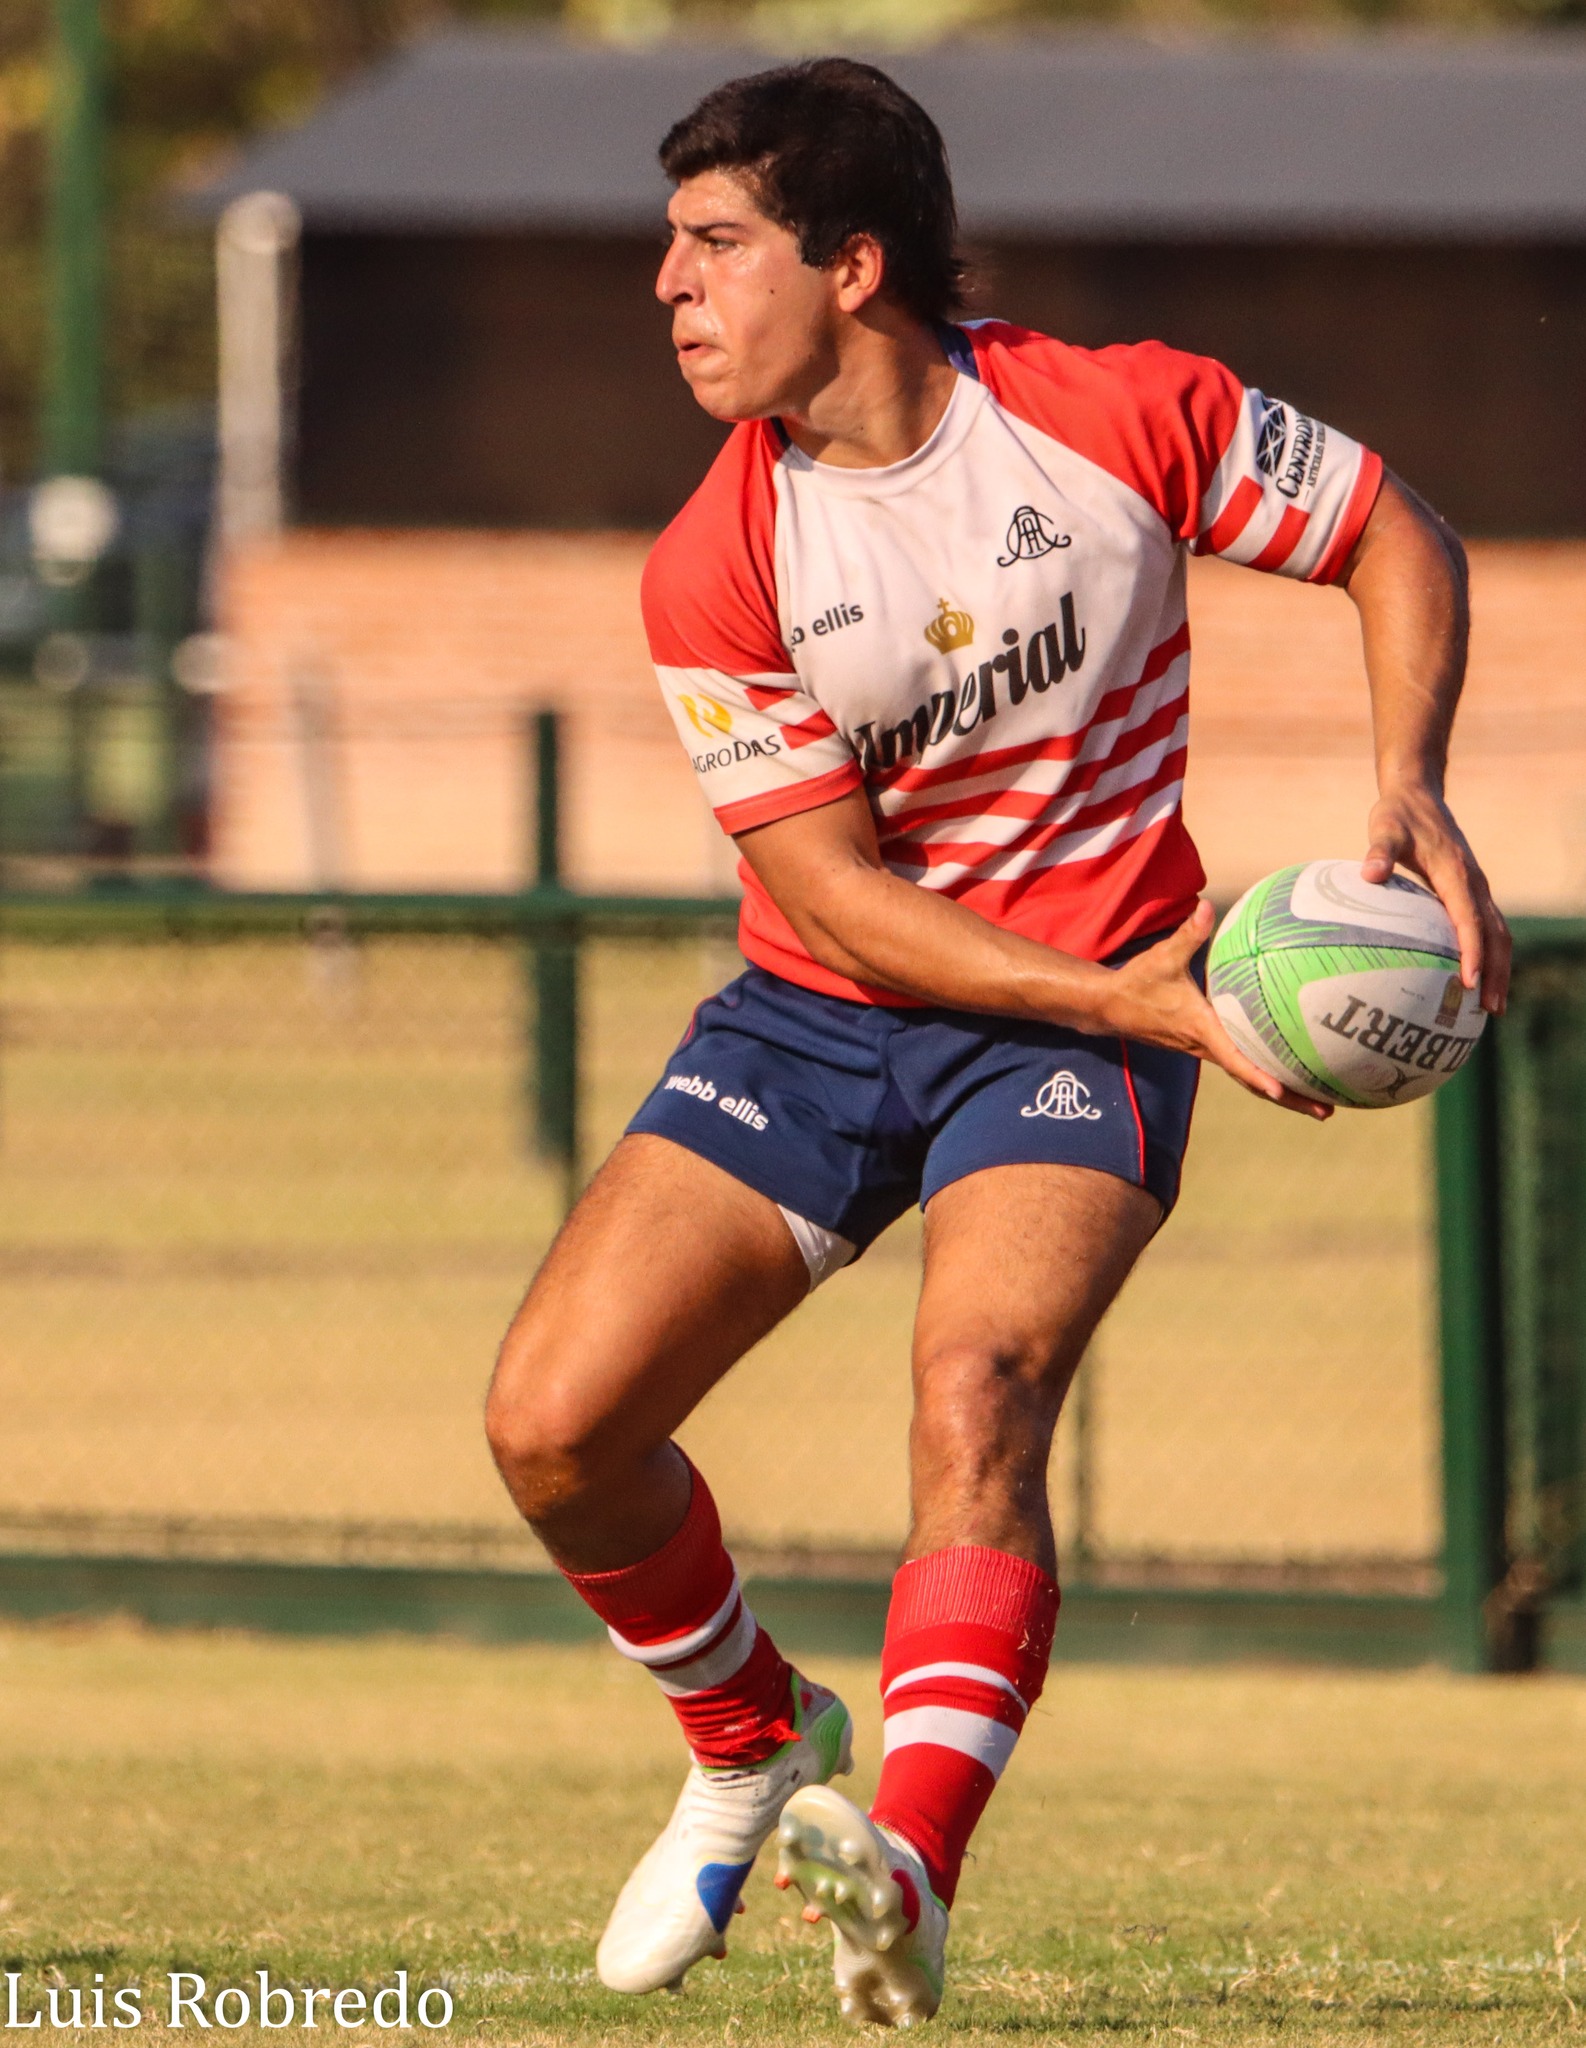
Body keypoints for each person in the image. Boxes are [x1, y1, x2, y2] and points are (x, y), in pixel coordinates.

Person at [485, 56, 1509, 2029]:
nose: (666, 287)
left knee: (978, 1392)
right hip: (826, 1009)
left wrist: (1412, 787)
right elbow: (849, 902)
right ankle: (749, 1730)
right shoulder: (717, 556)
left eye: (713, 245)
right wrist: (1140, 998)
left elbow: (1394, 530)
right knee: (551, 1425)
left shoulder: (1118, 415)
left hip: (1077, 1013)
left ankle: (913, 1871)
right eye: (668, 248)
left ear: (852, 264)